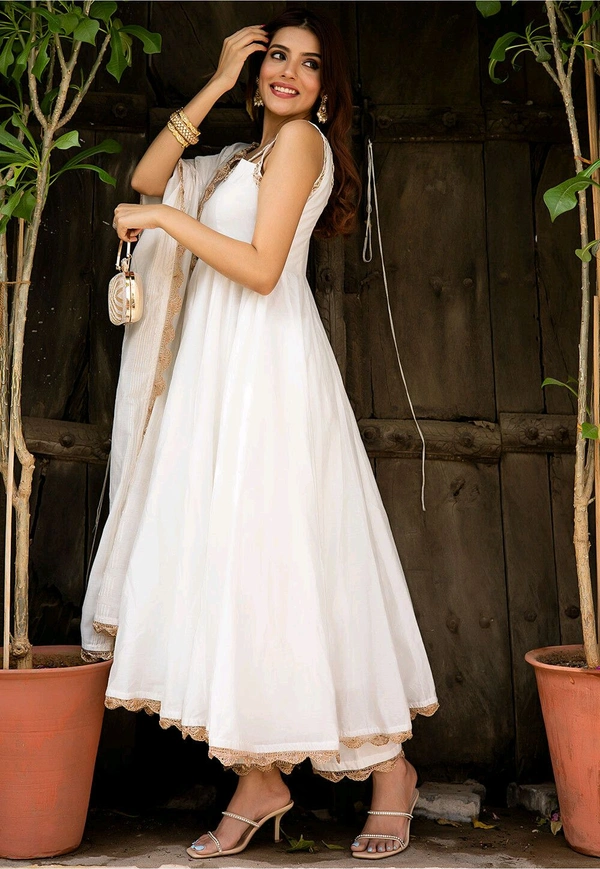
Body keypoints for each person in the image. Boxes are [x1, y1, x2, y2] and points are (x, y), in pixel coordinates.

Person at [81, 8, 438, 861]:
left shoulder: (302, 145)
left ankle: (389, 771)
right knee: (234, 564)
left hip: (266, 369)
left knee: (288, 560)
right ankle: (258, 777)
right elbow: (149, 177)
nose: (288, 72)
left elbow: (262, 268)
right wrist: (214, 82)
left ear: (327, 90)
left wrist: (166, 225)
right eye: (277, 56)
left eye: (310, 64)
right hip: (219, 369)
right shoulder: (242, 155)